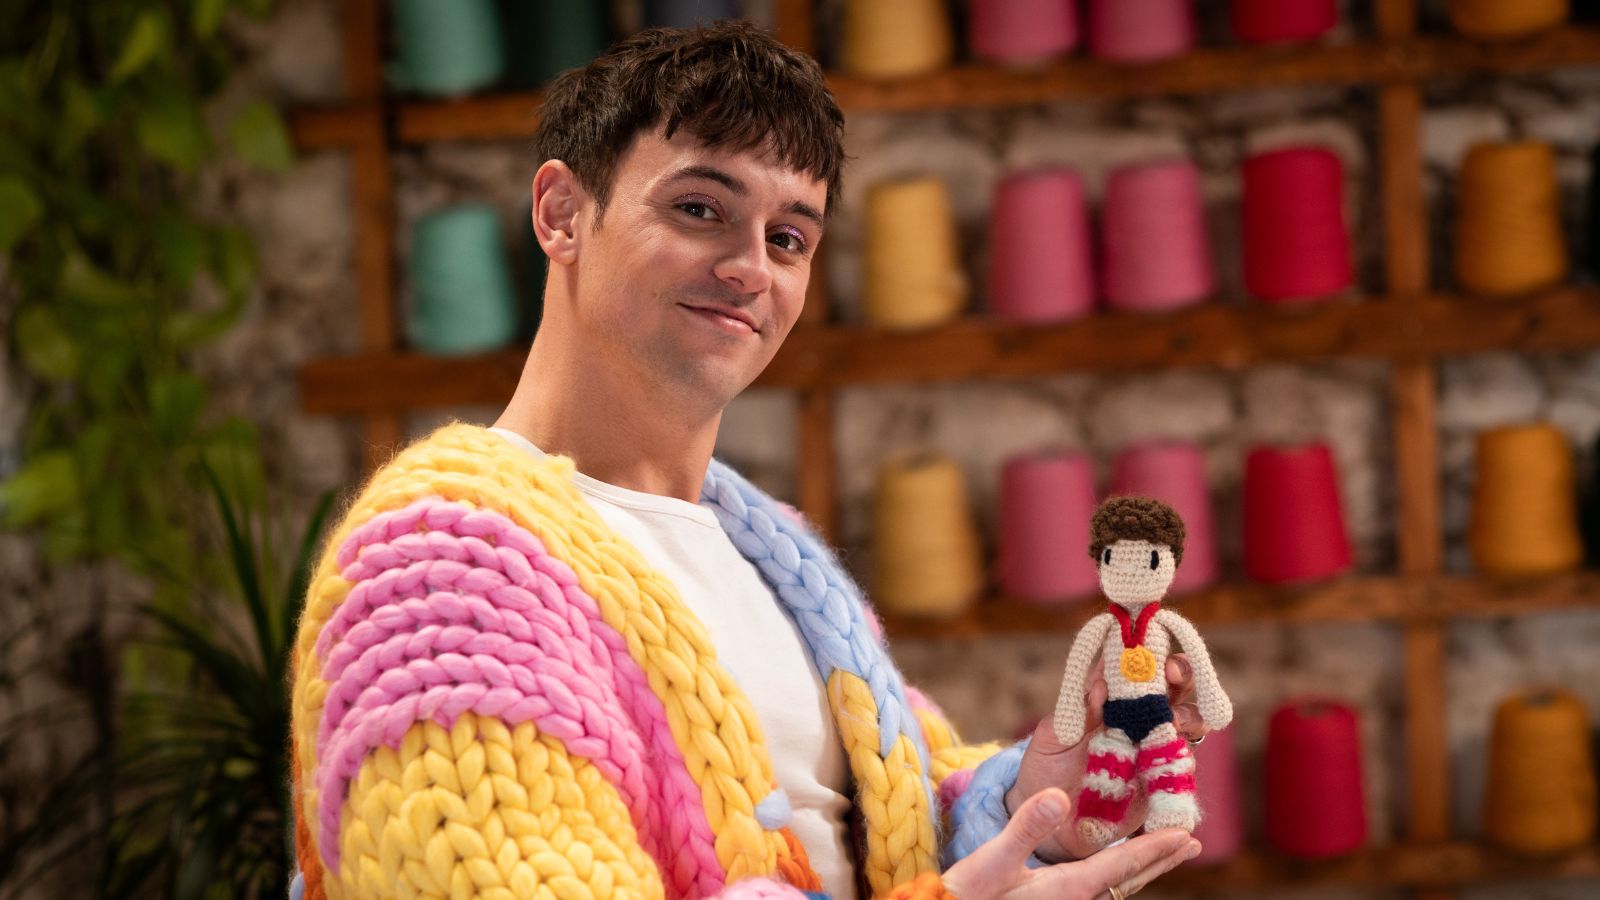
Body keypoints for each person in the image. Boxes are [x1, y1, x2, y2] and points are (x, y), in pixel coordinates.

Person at [288, 21, 1206, 900]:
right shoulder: (435, 576)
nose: (751, 268)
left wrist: (1029, 791)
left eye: (789, 237)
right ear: (561, 212)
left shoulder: (770, 552)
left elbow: (880, 823)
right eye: (700, 209)